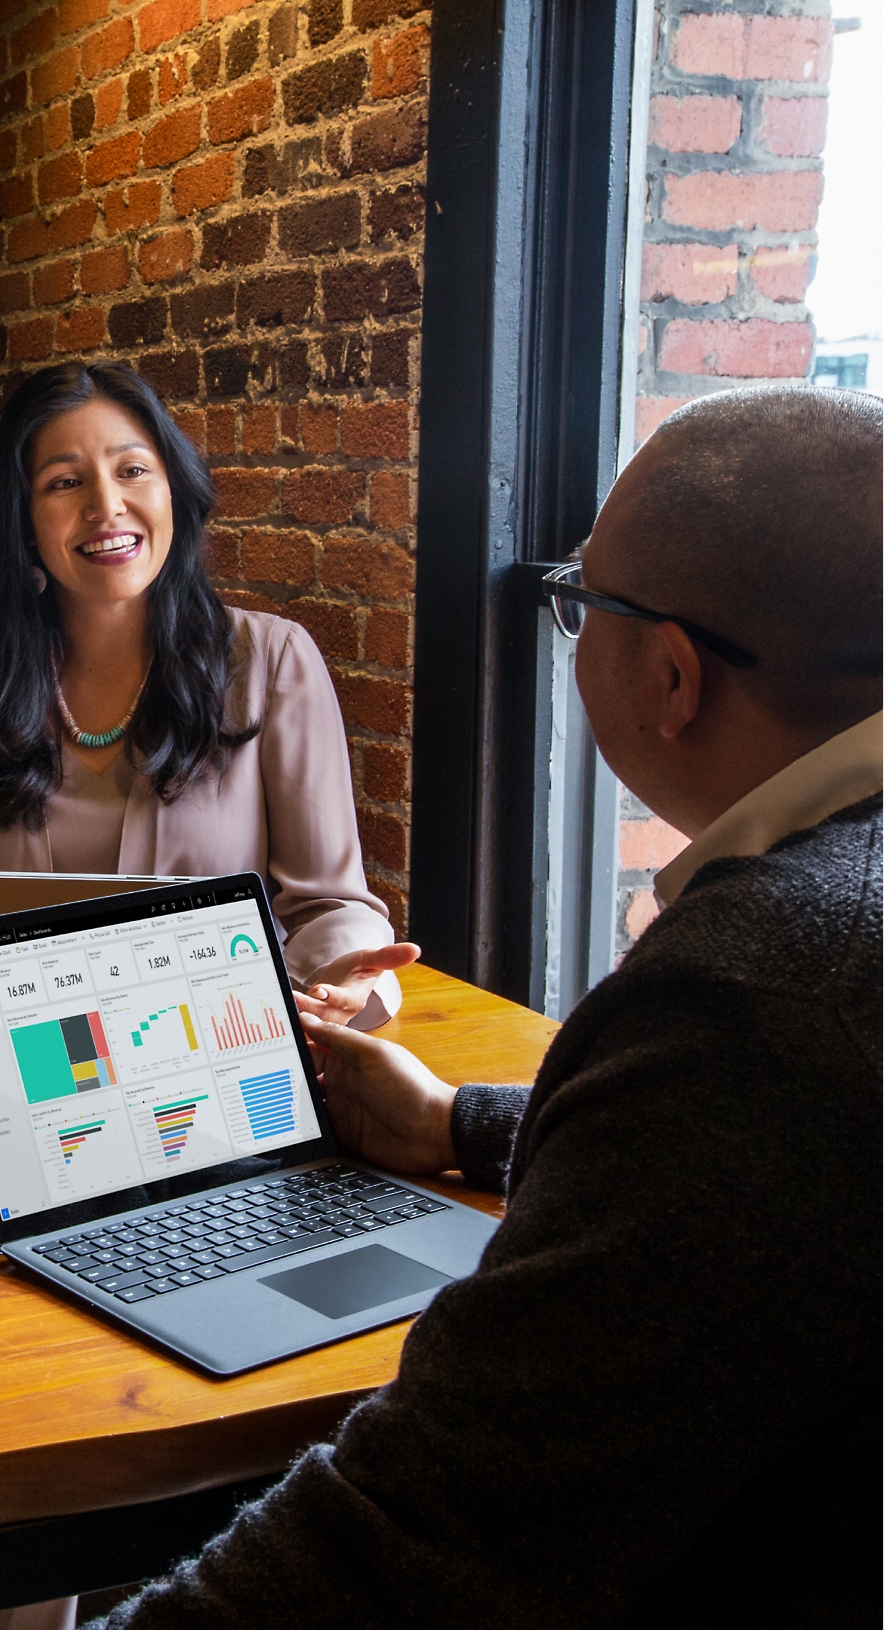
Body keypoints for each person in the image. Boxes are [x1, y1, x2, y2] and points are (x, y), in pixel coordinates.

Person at [86, 386, 881, 1627]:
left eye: (582, 604)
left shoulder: (760, 984)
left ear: (671, 673)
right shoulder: (812, 978)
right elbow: (779, 1166)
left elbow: (419, 1539)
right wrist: (463, 1124)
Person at [0, 361, 416, 1047]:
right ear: (23, 521)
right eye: (64, 482)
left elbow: (328, 902)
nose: (105, 506)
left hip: (216, 1061)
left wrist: (347, 977)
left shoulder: (268, 662)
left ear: (173, 488)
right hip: (19, 1071)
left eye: (131, 471)